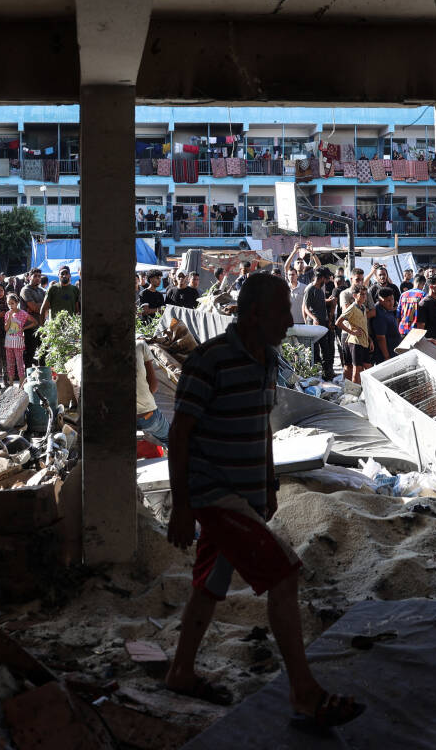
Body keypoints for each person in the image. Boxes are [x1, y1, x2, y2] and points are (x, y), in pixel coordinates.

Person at [165, 273, 364, 730]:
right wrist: (181, 505)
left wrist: (268, 486)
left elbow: (261, 428)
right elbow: (179, 435)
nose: (288, 321)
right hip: (214, 495)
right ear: (254, 314)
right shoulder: (208, 361)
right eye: (281, 312)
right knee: (284, 573)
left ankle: (180, 671)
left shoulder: (267, 360)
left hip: (246, 496)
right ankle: (304, 692)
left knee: (210, 584)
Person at [302, 267, 336, 380]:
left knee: (326, 349)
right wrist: (313, 318)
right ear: (321, 278)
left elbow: (320, 302)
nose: (327, 281)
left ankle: (327, 374)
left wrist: (329, 301)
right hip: (314, 324)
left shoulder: (320, 289)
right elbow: (306, 308)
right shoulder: (309, 289)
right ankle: (315, 375)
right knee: (314, 351)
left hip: (323, 323)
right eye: (326, 279)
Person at [136, 338, 170, 447]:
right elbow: (153, 387)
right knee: (171, 439)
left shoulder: (100, 354)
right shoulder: (140, 344)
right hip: (147, 416)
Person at [336, 284, 373, 383]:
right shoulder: (352, 308)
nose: (364, 297)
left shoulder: (363, 308)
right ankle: (353, 395)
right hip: (355, 342)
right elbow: (338, 322)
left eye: (365, 294)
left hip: (364, 341)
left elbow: (363, 325)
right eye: (361, 294)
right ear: (354, 295)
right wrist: (352, 332)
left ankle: (364, 391)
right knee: (357, 370)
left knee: (369, 368)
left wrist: (370, 339)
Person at [4, 293, 36, 385]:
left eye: (12, 303)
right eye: (8, 303)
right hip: (8, 342)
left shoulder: (23, 313)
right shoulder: (7, 314)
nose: (10, 305)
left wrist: (24, 328)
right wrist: (10, 317)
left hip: (18, 342)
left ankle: (21, 385)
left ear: (17, 303)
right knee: (10, 363)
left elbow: (34, 322)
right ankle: (11, 384)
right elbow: (6, 328)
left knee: (20, 364)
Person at [20, 269, 46, 369]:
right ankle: (27, 380)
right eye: (35, 276)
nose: (37, 278)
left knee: (43, 353)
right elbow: (34, 307)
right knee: (29, 354)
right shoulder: (25, 290)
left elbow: (47, 307)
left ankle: (42, 379)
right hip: (29, 327)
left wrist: (40, 307)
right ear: (29, 277)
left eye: (39, 276)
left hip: (41, 326)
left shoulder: (41, 291)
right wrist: (42, 307)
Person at [370, 286, 402, 363]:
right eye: (388, 300)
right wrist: (386, 357)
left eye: (392, 299)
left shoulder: (386, 309)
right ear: (380, 300)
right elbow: (380, 338)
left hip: (394, 352)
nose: (391, 303)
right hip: (387, 356)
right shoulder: (379, 315)